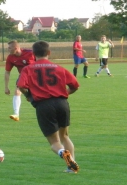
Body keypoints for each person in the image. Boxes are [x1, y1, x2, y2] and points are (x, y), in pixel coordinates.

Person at [17, 41, 80, 173]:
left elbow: (21, 86)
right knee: (65, 136)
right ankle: (72, 165)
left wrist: (29, 95)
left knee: (54, 143)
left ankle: (63, 153)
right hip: (62, 103)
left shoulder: (28, 69)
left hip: (44, 105)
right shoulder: (59, 68)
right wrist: (64, 94)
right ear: (49, 53)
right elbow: (75, 85)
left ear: (33, 54)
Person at [5, 40, 35, 121]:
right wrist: (6, 87)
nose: (8, 49)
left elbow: (42, 60)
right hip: (23, 77)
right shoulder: (10, 57)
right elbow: (7, 72)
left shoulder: (31, 53)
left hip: (36, 76)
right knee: (17, 91)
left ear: (16, 48)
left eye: (9, 48)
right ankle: (16, 114)